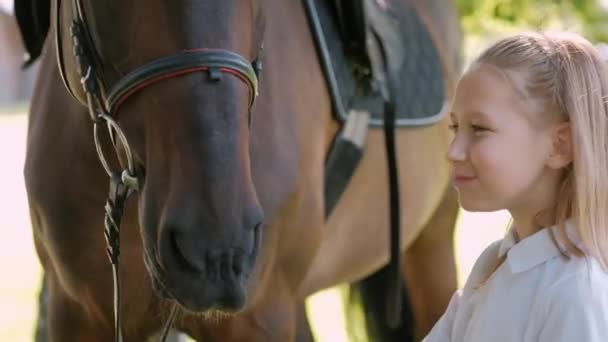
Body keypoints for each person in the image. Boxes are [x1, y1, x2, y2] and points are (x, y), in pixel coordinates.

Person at [423, 31, 608, 341]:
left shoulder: (574, 293)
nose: (452, 151)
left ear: (559, 145)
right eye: (455, 127)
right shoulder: (493, 264)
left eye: (479, 128)